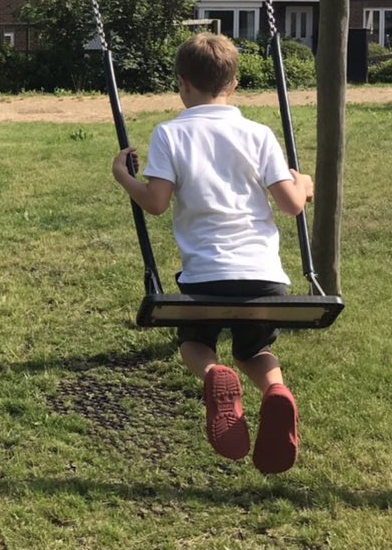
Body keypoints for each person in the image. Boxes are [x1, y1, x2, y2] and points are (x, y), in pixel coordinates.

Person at [111, 32, 313, 474]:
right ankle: (275, 390)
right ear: (235, 83)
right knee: (254, 350)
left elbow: (157, 203)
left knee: (195, 341)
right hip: (265, 276)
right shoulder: (259, 134)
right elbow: (291, 204)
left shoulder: (170, 134)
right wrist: (305, 184)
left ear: (182, 84)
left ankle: (212, 377)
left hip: (205, 277)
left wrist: (124, 178)